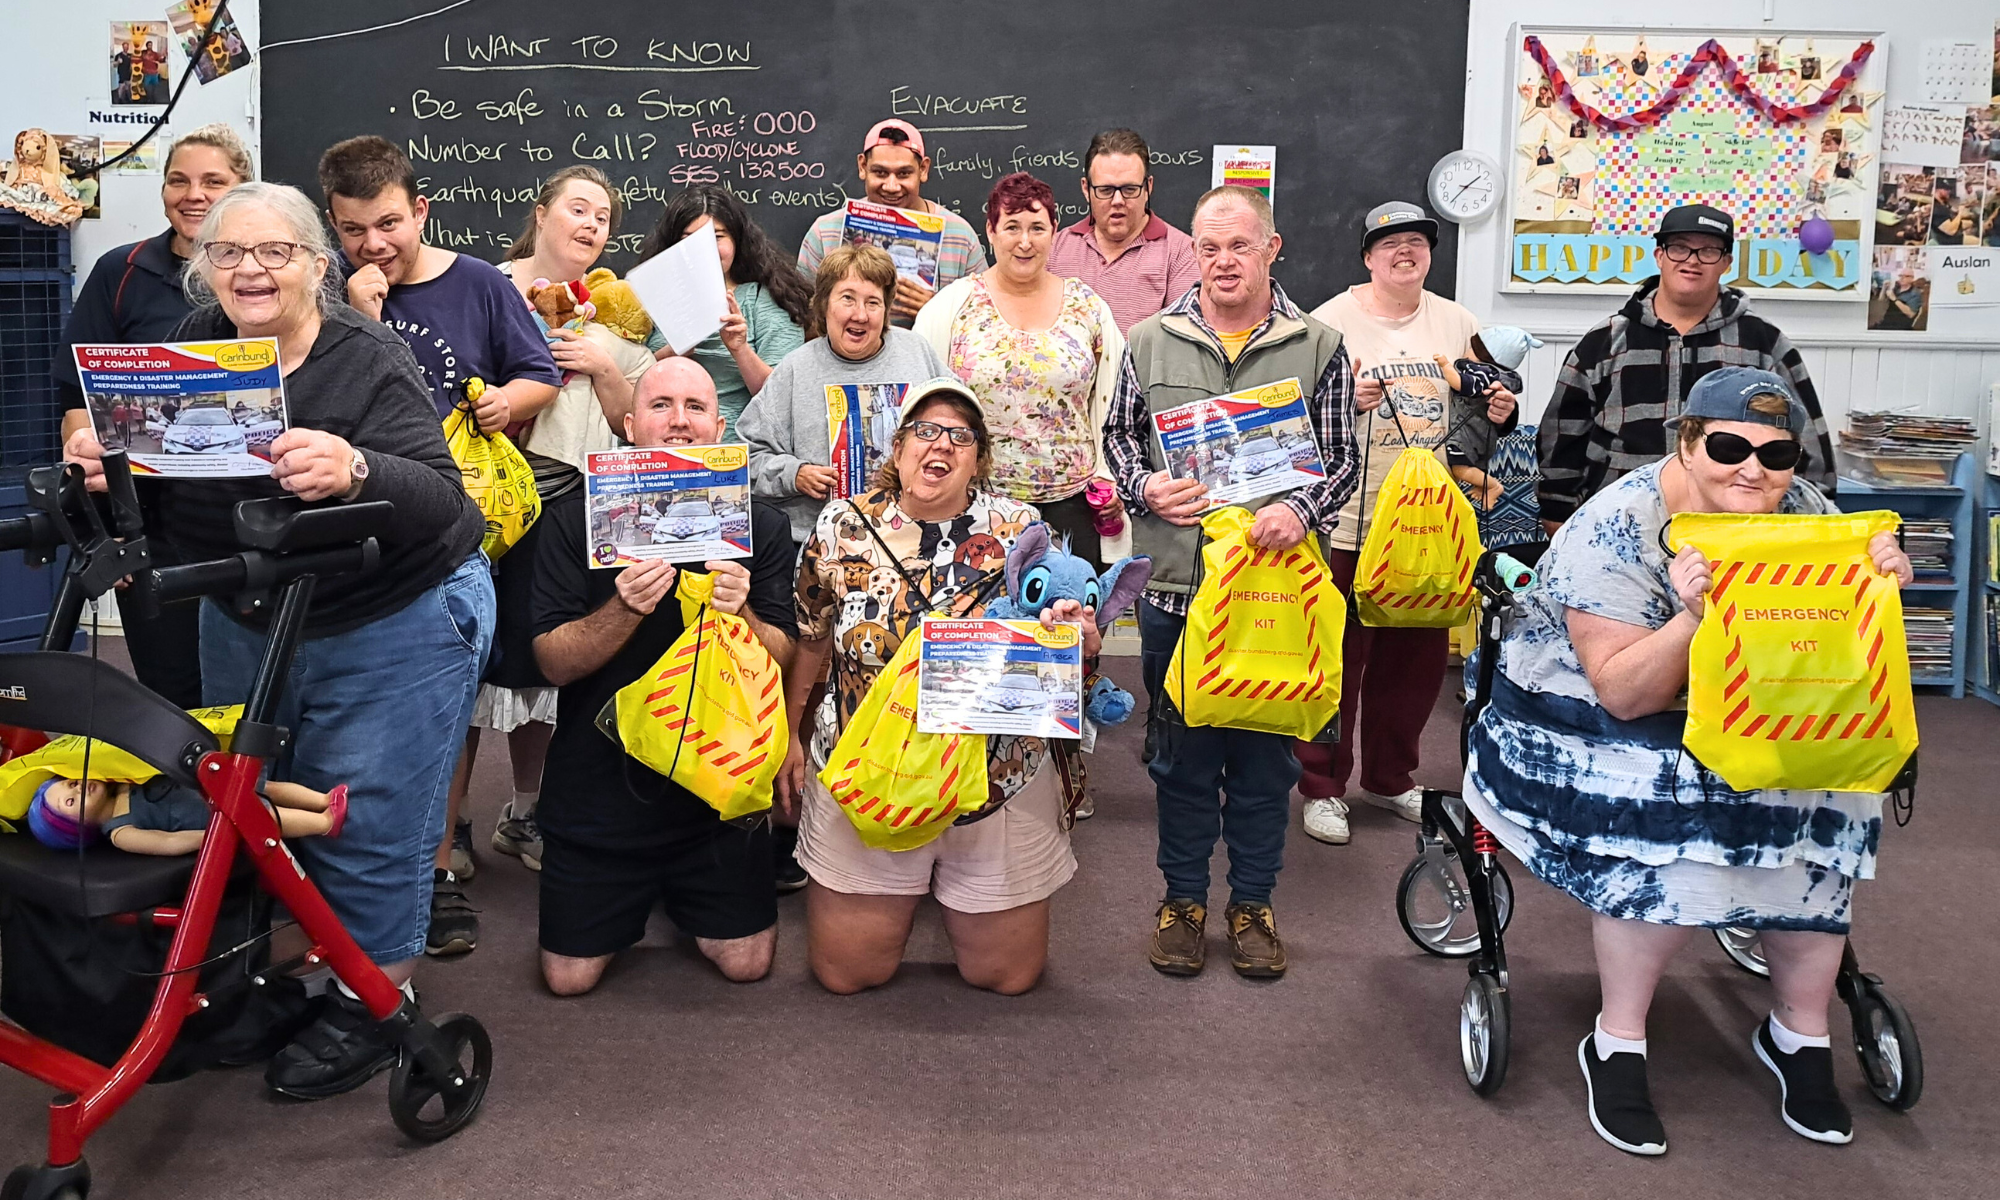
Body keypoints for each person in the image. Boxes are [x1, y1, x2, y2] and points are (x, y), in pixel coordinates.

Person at [65, 182, 494, 1099]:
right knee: (249, 803)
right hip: (251, 611)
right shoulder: (181, 360)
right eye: (228, 254)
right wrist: (105, 471)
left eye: (275, 253)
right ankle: (283, 960)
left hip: (394, 611)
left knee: (364, 812)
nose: (250, 270)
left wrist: (357, 466)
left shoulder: (365, 357)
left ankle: (372, 997)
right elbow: (169, 502)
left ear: (317, 264)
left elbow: (445, 500)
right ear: (203, 267)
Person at [1463, 368, 1913, 1155]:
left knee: (1832, 799)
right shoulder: (1618, 526)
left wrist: (1879, 587)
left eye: (1778, 455)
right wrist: (1695, 619)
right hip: (1583, 705)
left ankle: (1800, 1034)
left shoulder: (1804, 513)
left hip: (1748, 703)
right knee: (1664, 804)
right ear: (1688, 442)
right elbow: (1623, 695)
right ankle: (1618, 1037)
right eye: (1732, 446)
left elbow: (1834, 650)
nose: (1755, 469)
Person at [1100, 185, 1359, 978]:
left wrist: (1304, 511)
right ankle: (1181, 901)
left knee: (1264, 764)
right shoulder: (1148, 340)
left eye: (1238, 247)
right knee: (1179, 760)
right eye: (1208, 248)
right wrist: (1146, 487)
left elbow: (1346, 457)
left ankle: (1253, 903)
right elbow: (1116, 441)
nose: (1222, 263)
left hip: (1273, 597)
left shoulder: (1319, 345)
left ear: (1271, 249)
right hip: (1178, 587)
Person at [318, 135, 561, 957]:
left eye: (388, 222)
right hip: (377, 525)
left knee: (488, 675)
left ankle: (478, 831)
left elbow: (540, 373)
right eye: (353, 230)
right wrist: (361, 312)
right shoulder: (330, 299)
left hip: (479, 515)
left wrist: (504, 404)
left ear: (421, 208)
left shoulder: (482, 283)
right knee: (420, 696)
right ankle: (438, 846)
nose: (374, 244)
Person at [779, 378, 1093, 995]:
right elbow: (813, 635)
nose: (940, 445)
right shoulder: (843, 524)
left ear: (978, 459)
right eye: (925, 430)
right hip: (866, 766)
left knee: (1005, 976)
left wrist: (1075, 635)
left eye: (960, 435)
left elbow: (1062, 637)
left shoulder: (1019, 528)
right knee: (846, 974)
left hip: (992, 774)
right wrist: (789, 731)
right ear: (898, 449)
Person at [531, 358, 796, 993]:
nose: (679, 420)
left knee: (746, 963)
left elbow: (782, 652)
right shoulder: (573, 519)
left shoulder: (761, 523)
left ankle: (684, 893)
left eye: (695, 407)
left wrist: (746, 613)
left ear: (719, 425)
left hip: (717, 789)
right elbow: (550, 660)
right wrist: (623, 608)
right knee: (567, 979)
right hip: (599, 787)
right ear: (627, 424)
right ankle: (630, 889)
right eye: (661, 406)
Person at [1298, 201, 1517, 845]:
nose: (1405, 252)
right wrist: (1345, 398)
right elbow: (1295, 420)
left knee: (1415, 662)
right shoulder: (1327, 322)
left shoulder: (1457, 321)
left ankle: (1391, 779)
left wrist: (1498, 407)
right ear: (1367, 257)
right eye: (1389, 243)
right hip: (1347, 520)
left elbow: (1481, 407)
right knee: (1336, 661)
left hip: (1430, 529)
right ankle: (1322, 786)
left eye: (1417, 242)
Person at [483, 165, 661, 878]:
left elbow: (636, 421)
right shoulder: (489, 286)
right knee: (494, 665)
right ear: (542, 214)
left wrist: (603, 365)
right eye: (577, 210)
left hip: (586, 505)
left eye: (604, 217)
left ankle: (530, 811)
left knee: (560, 663)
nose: (591, 225)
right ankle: (465, 824)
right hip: (501, 502)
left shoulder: (611, 318)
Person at [55, 124, 253, 709]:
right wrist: (108, 524)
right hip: (151, 529)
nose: (193, 195)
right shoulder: (122, 273)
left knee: (261, 701)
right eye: (178, 181)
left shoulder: (267, 276)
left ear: (243, 187)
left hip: (255, 525)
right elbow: (76, 401)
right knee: (172, 695)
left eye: (213, 181)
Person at [1536, 204, 1836, 528]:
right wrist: (1557, 513)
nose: (1692, 260)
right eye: (1679, 247)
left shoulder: (1764, 344)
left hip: (1738, 532)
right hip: (1619, 526)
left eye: (1708, 250)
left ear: (1726, 262)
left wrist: (1809, 526)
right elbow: (1561, 437)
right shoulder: (1604, 342)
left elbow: (1808, 445)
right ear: (1659, 255)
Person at [914, 172, 1127, 570]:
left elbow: (1116, 403)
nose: (1025, 241)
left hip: (1073, 509)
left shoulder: (1088, 308)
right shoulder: (953, 307)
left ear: (1055, 232)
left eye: (1037, 228)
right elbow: (918, 407)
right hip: (974, 508)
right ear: (991, 232)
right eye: (1012, 227)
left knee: (1068, 624)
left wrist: (1110, 478)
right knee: (979, 628)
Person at [740, 244, 948, 545]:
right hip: (819, 545)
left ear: (886, 310)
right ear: (824, 305)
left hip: (914, 536)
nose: (860, 315)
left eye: (873, 302)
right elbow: (747, 457)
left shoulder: (917, 352)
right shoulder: (795, 370)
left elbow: (964, 425)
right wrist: (794, 474)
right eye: (847, 299)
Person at [638, 185, 811, 439]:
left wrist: (740, 349)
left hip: (739, 453)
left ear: (736, 241)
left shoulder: (763, 298)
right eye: (689, 240)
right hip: (663, 450)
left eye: (716, 237)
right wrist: (672, 352)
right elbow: (629, 384)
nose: (703, 249)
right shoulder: (649, 299)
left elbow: (784, 398)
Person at [796, 119, 988, 326]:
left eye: (904, 174)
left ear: (923, 170)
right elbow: (800, 318)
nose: (891, 186)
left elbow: (985, 322)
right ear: (862, 166)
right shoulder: (825, 233)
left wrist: (937, 311)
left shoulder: (960, 236)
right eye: (880, 173)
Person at [1046, 128, 1200, 334]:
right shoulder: (1054, 249)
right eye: (1106, 190)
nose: (1118, 201)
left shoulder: (1181, 253)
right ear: (1086, 189)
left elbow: (1182, 341)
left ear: (1148, 188)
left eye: (1129, 189)